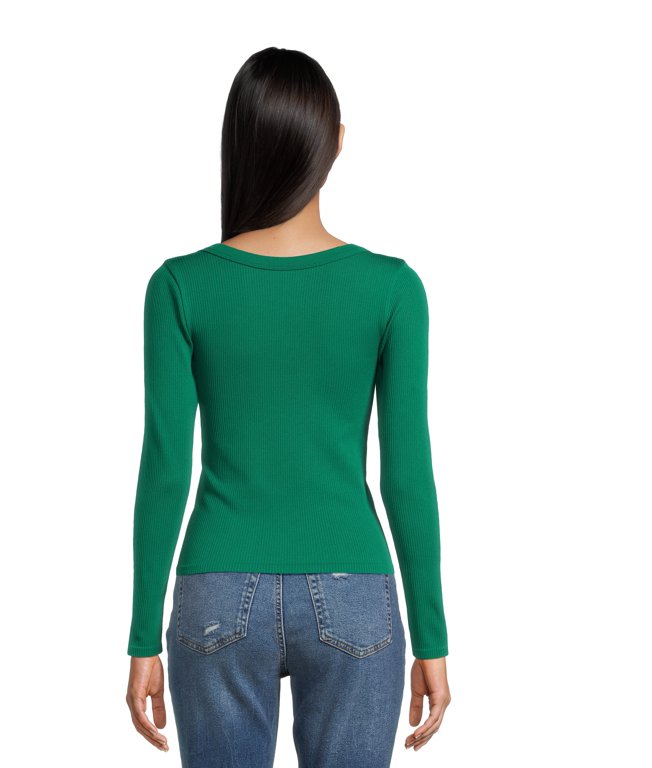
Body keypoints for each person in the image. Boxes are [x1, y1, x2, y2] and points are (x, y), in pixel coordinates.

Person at [125, 46, 451, 767]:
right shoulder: (392, 289)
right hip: (355, 590)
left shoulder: (179, 286)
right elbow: (407, 475)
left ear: (238, 143)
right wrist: (431, 637)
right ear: (335, 141)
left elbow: (164, 470)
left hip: (215, 591)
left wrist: (143, 635)